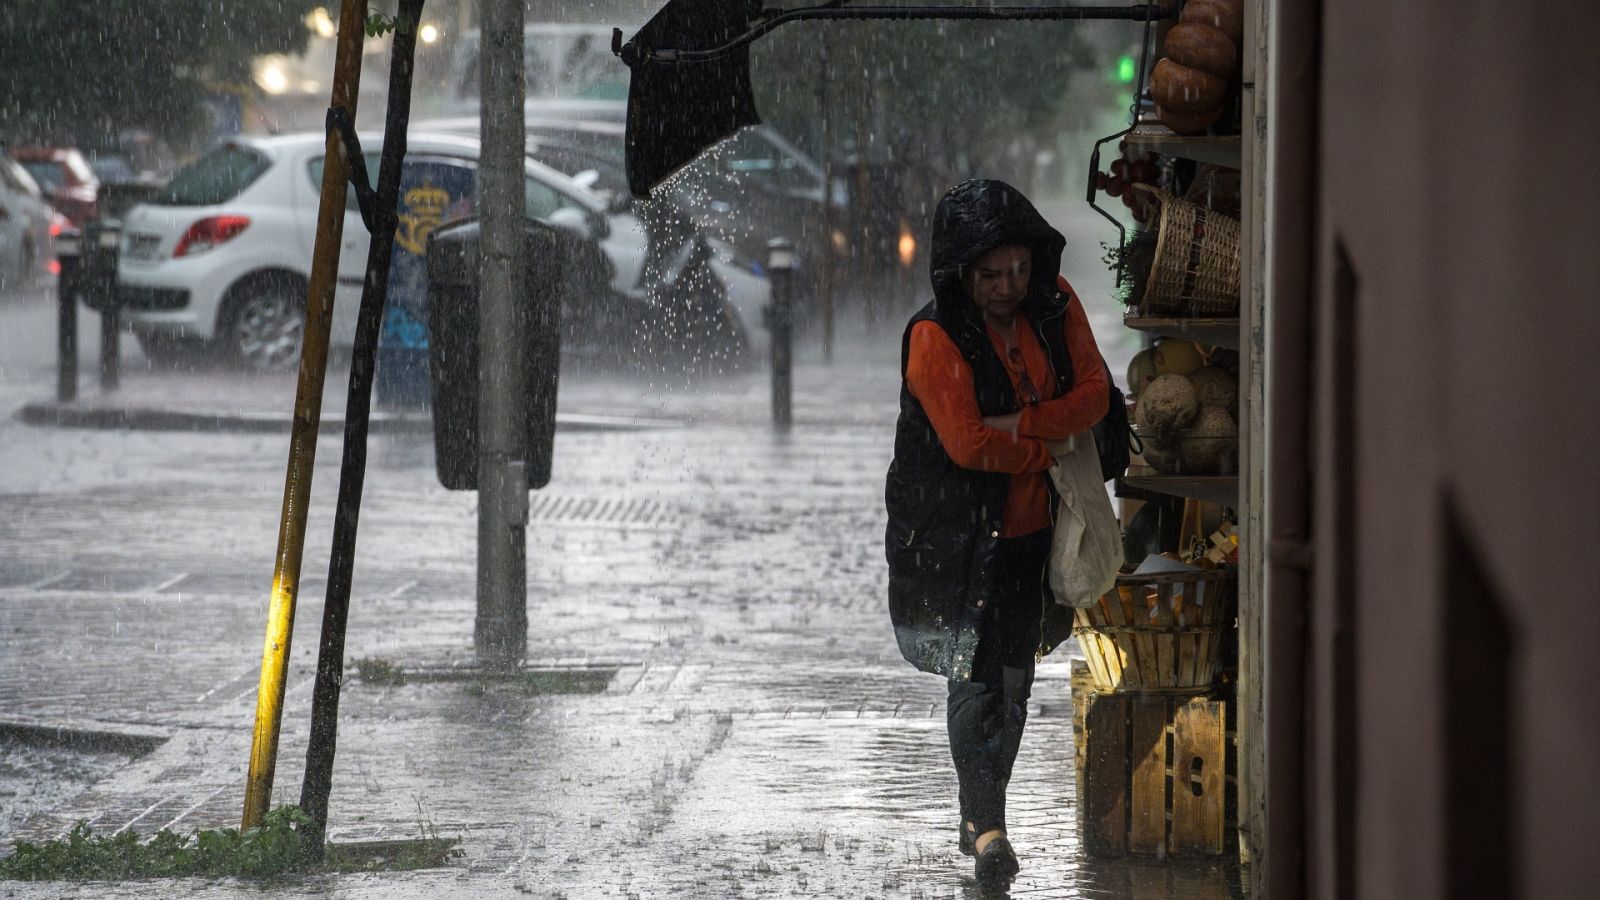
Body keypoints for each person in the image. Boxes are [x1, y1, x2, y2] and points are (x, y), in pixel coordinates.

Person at [884, 179, 1109, 887]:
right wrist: (1046, 449)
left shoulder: (1056, 304)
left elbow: (1095, 395)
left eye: (1018, 269)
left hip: (1033, 533)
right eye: (990, 275)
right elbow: (967, 444)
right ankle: (989, 833)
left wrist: (1025, 423)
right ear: (959, 273)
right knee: (974, 678)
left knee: (1013, 682)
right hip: (955, 537)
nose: (1008, 287)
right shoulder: (934, 337)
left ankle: (981, 817)